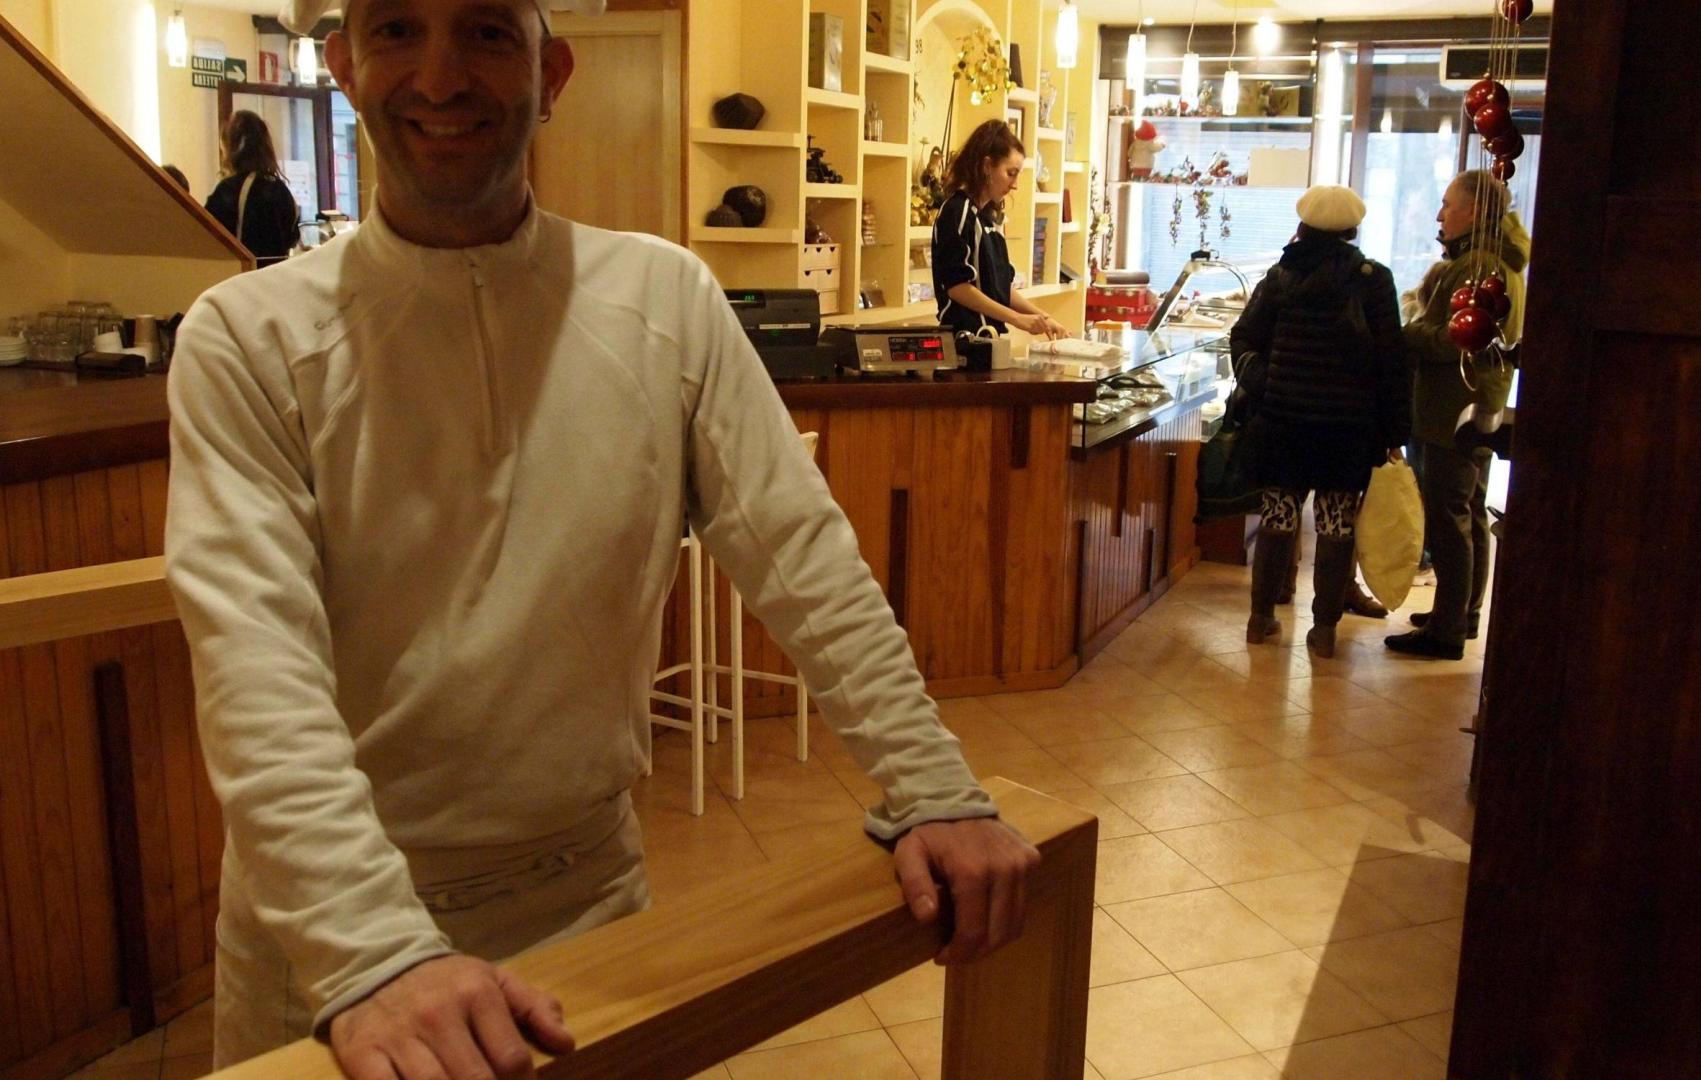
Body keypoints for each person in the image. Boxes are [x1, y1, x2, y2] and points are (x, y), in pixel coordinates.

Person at [167, 1, 1040, 1076]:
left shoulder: (663, 297)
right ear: (344, 65)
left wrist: (934, 787)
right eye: (398, 29)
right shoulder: (246, 339)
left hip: (589, 910)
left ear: (553, 72)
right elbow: (257, 668)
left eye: (487, 32)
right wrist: (373, 955)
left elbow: (803, 555)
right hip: (323, 948)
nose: (440, 77)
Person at [1229, 186, 1409, 658]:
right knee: (1336, 525)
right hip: (1346, 432)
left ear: (1304, 225)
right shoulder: (1374, 281)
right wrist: (1394, 433)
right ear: (1351, 230)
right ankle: (1324, 630)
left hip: (1282, 424)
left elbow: (1244, 335)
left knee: (1277, 517)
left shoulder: (1283, 275)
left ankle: (1260, 617)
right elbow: (1393, 361)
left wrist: (1265, 382)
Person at [1384, 170, 1530, 660]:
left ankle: (1448, 628)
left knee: (1450, 517)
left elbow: (1454, 338)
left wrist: (1408, 332)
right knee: (1468, 510)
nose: (1440, 214)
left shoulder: (1477, 265)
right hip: (1476, 401)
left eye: (1447, 204)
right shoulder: (1492, 262)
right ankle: (1460, 611)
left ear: (1474, 211)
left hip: (1452, 405)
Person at [932, 119, 1067, 341]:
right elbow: (957, 287)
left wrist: (1042, 317)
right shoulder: (958, 211)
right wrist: (1016, 318)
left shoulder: (987, 218)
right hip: (963, 341)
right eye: (1010, 173)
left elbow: (1000, 288)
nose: (1015, 184)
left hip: (989, 340)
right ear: (987, 166)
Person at [203, 109, 302, 265]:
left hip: (241, 279)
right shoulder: (280, 189)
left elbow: (207, 236)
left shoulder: (229, 190)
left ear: (230, 146)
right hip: (275, 279)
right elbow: (291, 238)